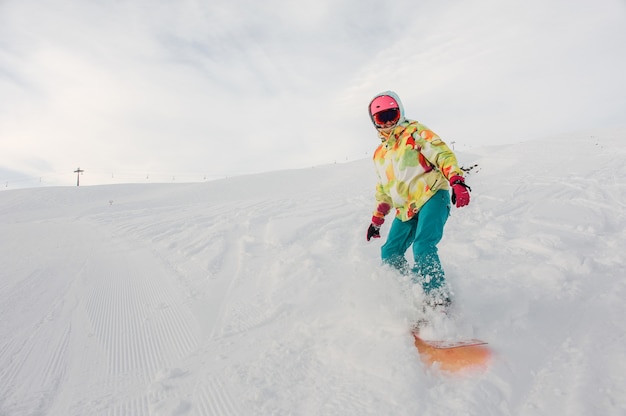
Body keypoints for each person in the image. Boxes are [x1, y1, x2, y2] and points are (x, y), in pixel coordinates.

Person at [365, 91, 471, 310]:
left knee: (422, 246)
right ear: (374, 122)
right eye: (382, 118)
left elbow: (442, 154)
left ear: (400, 112)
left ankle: (439, 301)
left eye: (392, 115)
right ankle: (413, 296)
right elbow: (384, 190)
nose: (388, 122)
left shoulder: (414, 132)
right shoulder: (379, 155)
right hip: (406, 209)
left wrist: (457, 181)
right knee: (389, 252)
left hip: (432, 194)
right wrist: (377, 220)